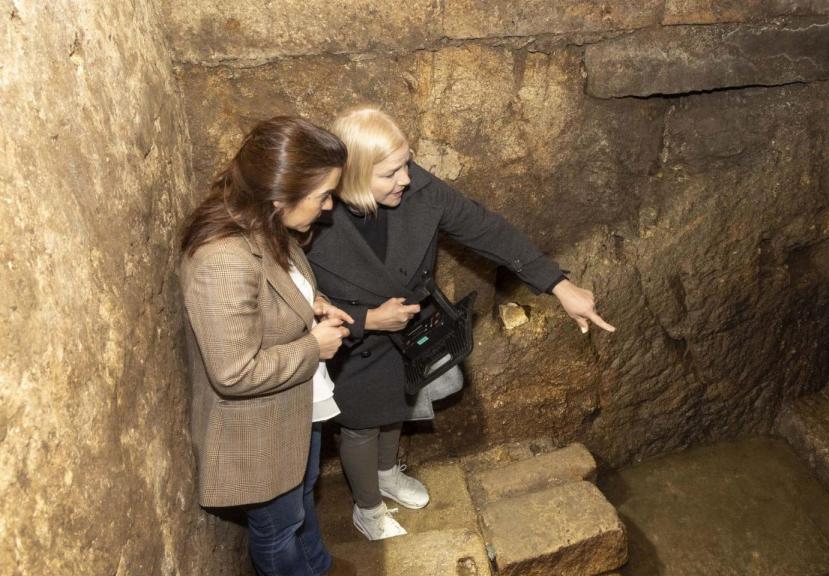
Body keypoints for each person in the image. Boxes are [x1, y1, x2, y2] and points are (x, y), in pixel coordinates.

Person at [307, 106, 615, 540]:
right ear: (354, 175)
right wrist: (368, 319)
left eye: (407, 163)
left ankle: (388, 473)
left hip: (408, 330)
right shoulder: (314, 213)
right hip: (350, 340)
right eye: (391, 172)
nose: (407, 179)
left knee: (397, 405)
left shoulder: (417, 189)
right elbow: (293, 295)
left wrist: (559, 286)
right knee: (360, 425)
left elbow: (486, 229)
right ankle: (367, 506)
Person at [179, 116, 358, 576]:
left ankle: (318, 568)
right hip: (257, 432)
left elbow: (274, 287)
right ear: (281, 195)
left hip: (295, 408)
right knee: (280, 527)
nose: (329, 206)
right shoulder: (220, 259)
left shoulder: (265, 222)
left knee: (302, 500)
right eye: (322, 195)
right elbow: (234, 372)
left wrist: (313, 304)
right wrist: (313, 347)